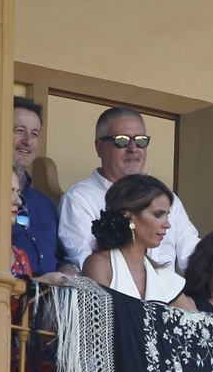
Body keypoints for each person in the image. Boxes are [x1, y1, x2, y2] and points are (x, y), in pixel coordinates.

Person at [58, 107, 198, 271]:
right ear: (99, 147)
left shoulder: (165, 198)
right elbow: (85, 264)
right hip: (114, 293)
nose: (133, 148)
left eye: (141, 141)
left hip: (169, 294)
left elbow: (193, 256)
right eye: (122, 140)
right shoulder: (80, 199)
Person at [80, 174, 195, 309]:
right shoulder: (99, 265)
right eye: (158, 215)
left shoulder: (164, 277)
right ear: (130, 216)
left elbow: (202, 324)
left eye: (167, 216)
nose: (168, 224)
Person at [10, 97, 62, 275]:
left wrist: (70, 270)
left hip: (51, 299)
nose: (27, 141)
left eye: (34, 134)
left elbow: (63, 258)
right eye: (19, 131)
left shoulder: (46, 204)